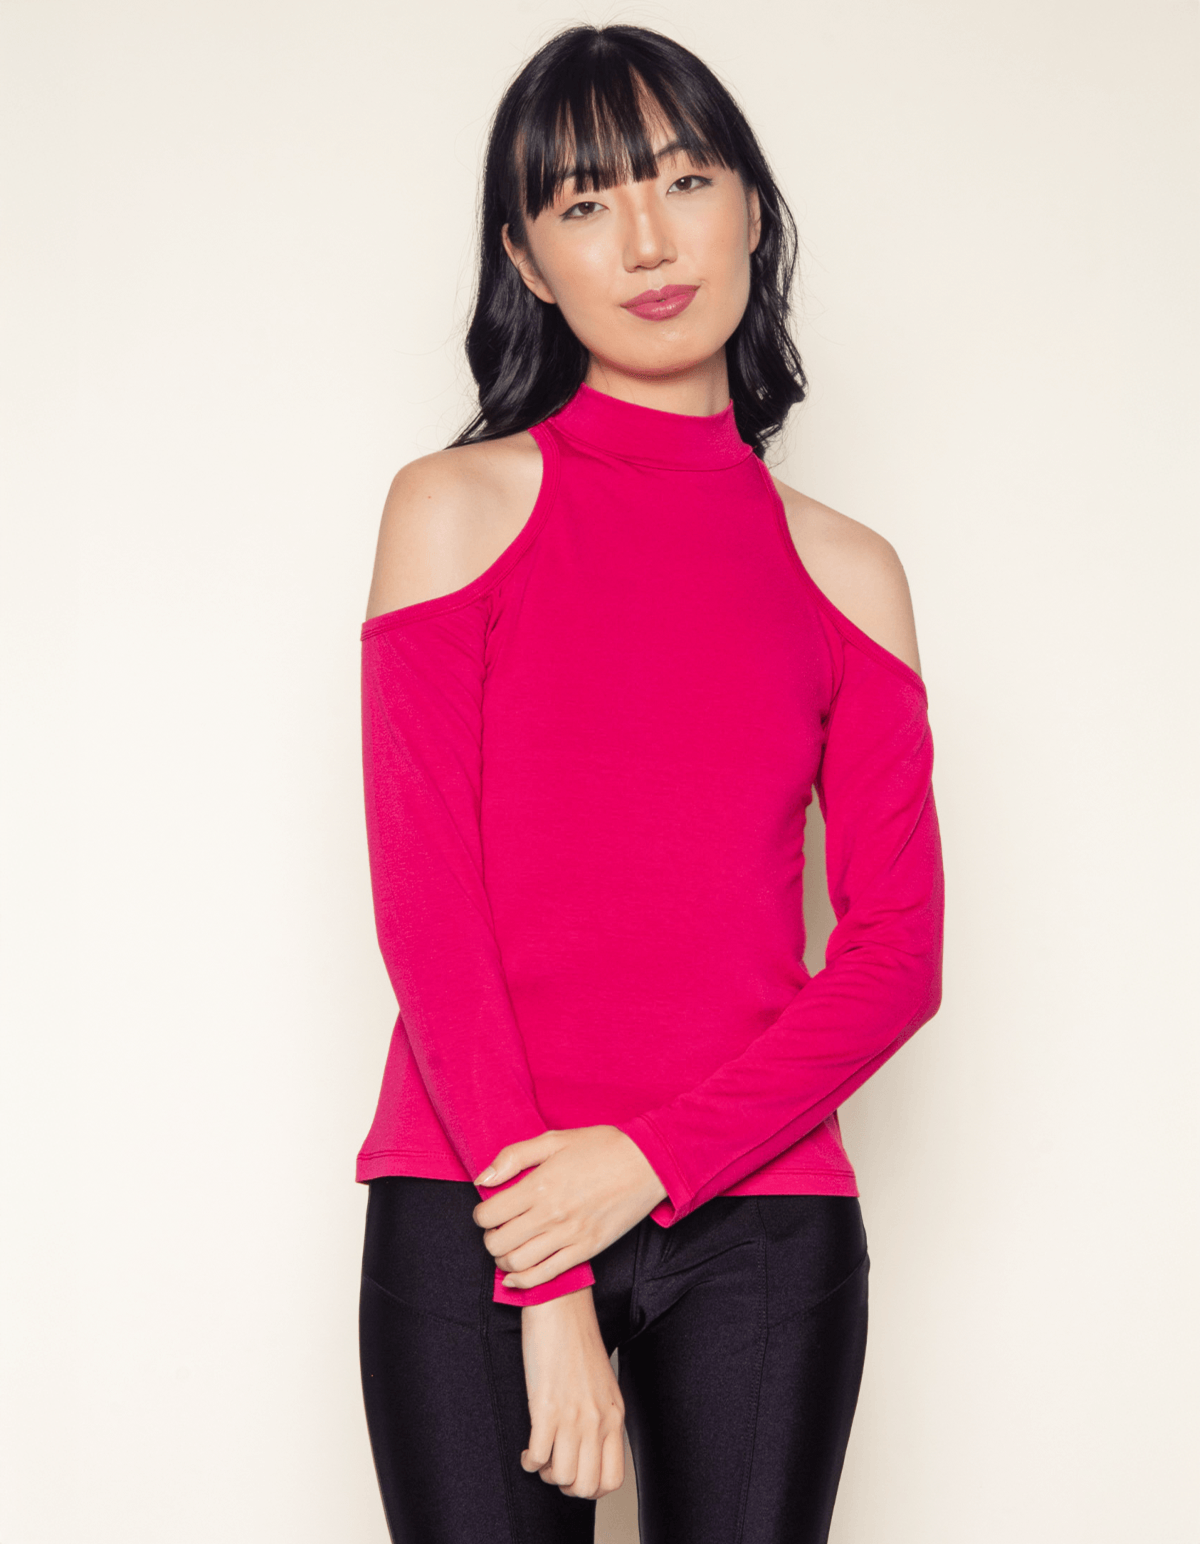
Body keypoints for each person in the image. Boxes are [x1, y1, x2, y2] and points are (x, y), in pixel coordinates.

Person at [354, 23, 943, 1544]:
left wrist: (650, 1162)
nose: (647, 240)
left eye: (684, 180)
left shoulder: (848, 570)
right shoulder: (455, 508)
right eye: (584, 202)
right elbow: (429, 908)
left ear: (750, 204)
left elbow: (898, 955)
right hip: (480, 1199)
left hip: (762, 1217)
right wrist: (544, 1264)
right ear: (528, 260)